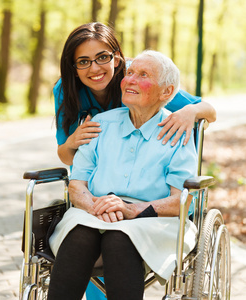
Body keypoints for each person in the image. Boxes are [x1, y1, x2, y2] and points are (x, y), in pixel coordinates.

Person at [48, 50, 198, 300]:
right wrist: (100, 207)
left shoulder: (176, 132)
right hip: (92, 212)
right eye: (129, 73)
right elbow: (77, 185)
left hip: (152, 221)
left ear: (167, 92)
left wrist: (131, 210)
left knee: (119, 238)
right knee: (80, 235)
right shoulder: (100, 124)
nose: (130, 80)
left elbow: (180, 201)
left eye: (143, 75)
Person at [54, 22, 216, 171]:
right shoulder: (66, 89)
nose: (95, 68)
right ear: (74, 68)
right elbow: (65, 156)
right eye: (83, 61)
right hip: (100, 176)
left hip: (141, 171)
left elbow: (210, 111)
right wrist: (71, 143)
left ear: (116, 59)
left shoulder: (135, 78)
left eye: (102, 57)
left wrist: (189, 112)